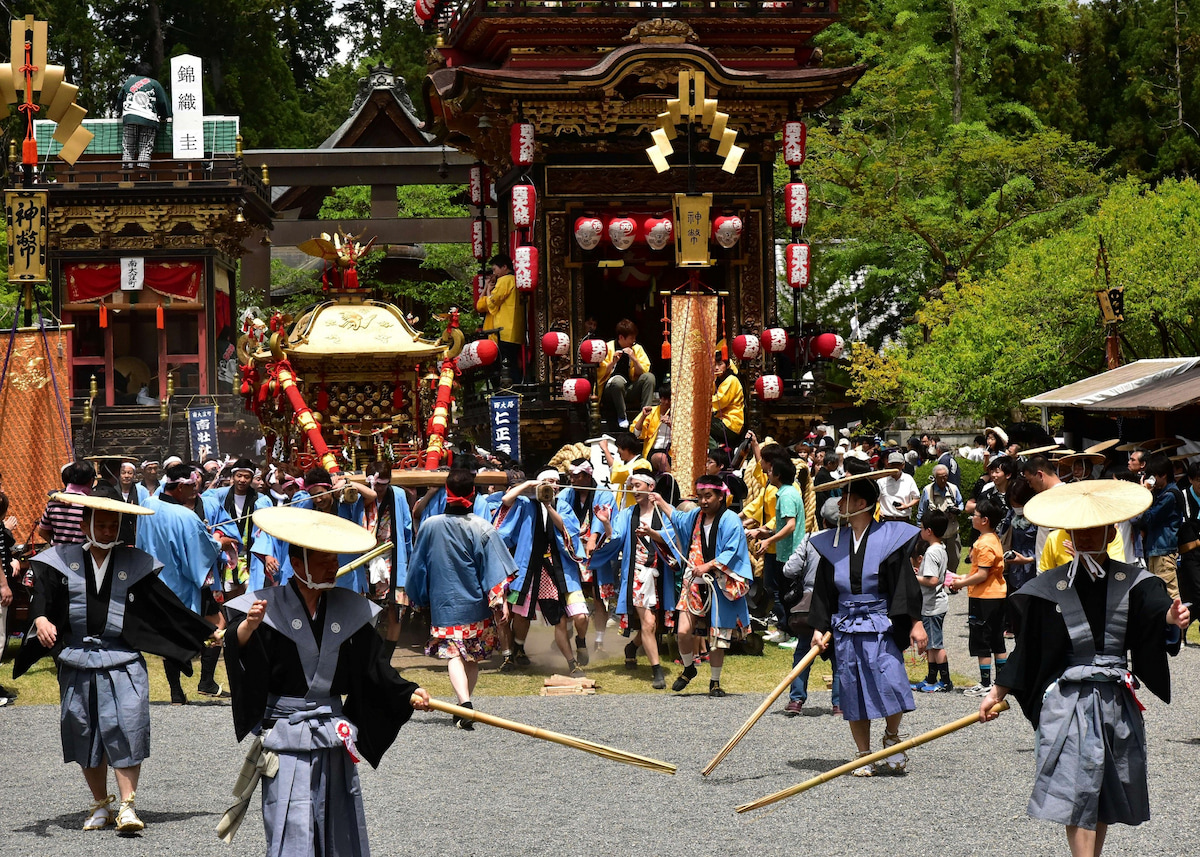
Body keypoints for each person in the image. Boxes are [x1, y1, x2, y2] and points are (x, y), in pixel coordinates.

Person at [978, 480, 1189, 857]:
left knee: (1103, 787)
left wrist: (1173, 618)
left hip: (1116, 701)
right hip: (1067, 701)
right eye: (1081, 529)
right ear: (1069, 535)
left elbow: (1156, 617)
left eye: (1097, 529)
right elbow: (1028, 649)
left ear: (1111, 533)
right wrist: (998, 691)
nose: (1089, 535)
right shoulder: (1048, 587)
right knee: (1078, 788)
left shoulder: (1137, 583)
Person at [220, 507, 432, 856]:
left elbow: (373, 666)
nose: (332, 566)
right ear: (298, 563)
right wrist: (248, 628)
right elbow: (240, 652)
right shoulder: (264, 607)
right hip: (286, 731)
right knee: (291, 822)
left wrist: (407, 692)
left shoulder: (350, 609)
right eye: (323, 559)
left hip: (333, 730)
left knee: (337, 819)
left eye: (334, 558)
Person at [15, 486, 214, 832]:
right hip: (76, 658)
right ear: (85, 525)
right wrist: (41, 620)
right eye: (102, 526)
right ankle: (99, 803)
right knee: (83, 728)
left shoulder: (135, 564)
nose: (109, 532)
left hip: (122, 659)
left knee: (128, 725)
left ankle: (127, 806)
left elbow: (167, 608)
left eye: (114, 526)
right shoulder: (58, 560)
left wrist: (202, 630)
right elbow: (41, 598)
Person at [807, 460, 926, 776]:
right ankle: (863, 754)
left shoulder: (889, 537)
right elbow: (823, 589)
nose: (838, 503)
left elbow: (904, 584)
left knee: (893, 682)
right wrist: (819, 627)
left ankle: (891, 736)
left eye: (844, 496)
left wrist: (914, 622)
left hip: (879, 624)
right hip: (845, 627)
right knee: (852, 688)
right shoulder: (833, 542)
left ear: (861, 503)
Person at [406, 469, 515, 725]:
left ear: (447, 492)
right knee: (472, 657)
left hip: (444, 603)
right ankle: (463, 705)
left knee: (454, 654)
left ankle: (464, 705)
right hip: (475, 603)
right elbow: (496, 570)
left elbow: (417, 566)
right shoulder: (482, 527)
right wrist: (500, 601)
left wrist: (419, 596)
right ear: (473, 493)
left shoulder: (430, 526)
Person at [658, 475, 753, 697]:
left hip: (720, 582)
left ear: (721, 496)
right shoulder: (695, 516)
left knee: (718, 636)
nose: (703, 501)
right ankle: (689, 667)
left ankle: (715, 681)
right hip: (693, 581)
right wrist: (660, 501)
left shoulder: (730, 519)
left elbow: (732, 550)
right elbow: (678, 519)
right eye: (700, 497)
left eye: (708, 496)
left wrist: (707, 565)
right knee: (682, 632)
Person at [137, 463, 224, 704]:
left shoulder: (148, 504)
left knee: (169, 634)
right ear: (179, 488)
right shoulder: (186, 516)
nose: (195, 491)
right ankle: (206, 680)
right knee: (217, 625)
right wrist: (216, 540)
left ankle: (176, 691)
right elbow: (202, 551)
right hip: (182, 583)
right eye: (191, 487)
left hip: (155, 580)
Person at [589, 467, 676, 689]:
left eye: (638, 486)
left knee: (653, 624)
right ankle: (657, 671)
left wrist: (653, 534)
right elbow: (616, 538)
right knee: (648, 623)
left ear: (651, 487)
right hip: (636, 574)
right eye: (632, 486)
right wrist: (606, 522)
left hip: (660, 575)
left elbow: (675, 536)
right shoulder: (628, 513)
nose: (634, 490)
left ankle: (631, 647)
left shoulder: (665, 510)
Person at [498, 471, 589, 676]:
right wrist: (529, 483)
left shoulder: (562, 505)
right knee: (521, 612)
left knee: (580, 615)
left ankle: (580, 641)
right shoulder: (525, 503)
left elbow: (567, 529)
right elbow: (506, 499)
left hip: (560, 568)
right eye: (549, 482)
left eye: (557, 483)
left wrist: (548, 505)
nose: (553, 486)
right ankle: (516, 650)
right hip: (528, 566)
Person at [339, 461, 413, 653]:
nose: (378, 489)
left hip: (393, 556)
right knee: (365, 606)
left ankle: (387, 655)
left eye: (382, 484)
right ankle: (366, 651)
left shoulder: (397, 495)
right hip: (364, 556)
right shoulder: (356, 496)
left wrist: (409, 556)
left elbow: (406, 528)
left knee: (396, 609)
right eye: (375, 484)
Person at [780, 497, 842, 714]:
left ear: (823, 520)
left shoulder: (810, 539)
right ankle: (839, 703)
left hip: (810, 603)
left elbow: (789, 570)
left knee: (803, 651)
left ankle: (796, 700)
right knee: (839, 656)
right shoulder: (850, 541)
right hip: (839, 603)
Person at [949, 498, 1007, 696]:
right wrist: (963, 576)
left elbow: (982, 575)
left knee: (982, 640)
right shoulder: (993, 538)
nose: (972, 517)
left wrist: (960, 583)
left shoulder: (984, 544)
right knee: (997, 639)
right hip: (997, 594)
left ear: (985, 520)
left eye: (975, 515)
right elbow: (984, 572)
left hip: (984, 597)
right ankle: (1001, 681)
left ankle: (986, 683)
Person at [1132, 453, 1182, 601]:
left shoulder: (1170, 496)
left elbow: (1149, 518)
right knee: (1159, 592)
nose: (1152, 480)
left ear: (1164, 475)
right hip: (1156, 550)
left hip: (1164, 552)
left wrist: (1145, 494)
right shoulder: (1162, 494)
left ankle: (1178, 623)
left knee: (1170, 593)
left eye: (1154, 476)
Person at [913, 509, 952, 692]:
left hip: (933, 606)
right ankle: (930, 678)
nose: (920, 531)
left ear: (929, 531)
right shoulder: (941, 548)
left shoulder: (931, 552)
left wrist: (914, 578)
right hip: (933, 604)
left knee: (936, 645)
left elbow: (933, 580)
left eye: (921, 528)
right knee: (930, 644)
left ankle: (945, 681)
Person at [597, 319, 656, 430]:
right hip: (611, 390)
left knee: (649, 377)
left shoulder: (637, 348)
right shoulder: (608, 347)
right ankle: (622, 416)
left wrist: (634, 359)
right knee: (618, 381)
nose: (633, 341)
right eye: (631, 338)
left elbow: (643, 372)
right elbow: (600, 374)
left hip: (629, 389)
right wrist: (613, 362)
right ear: (621, 337)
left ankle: (645, 416)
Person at [475, 253, 524, 383]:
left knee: (506, 364)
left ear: (504, 267)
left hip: (505, 330)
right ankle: (519, 387)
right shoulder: (516, 279)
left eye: (495, 269)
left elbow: (493, 301)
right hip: (516, 329)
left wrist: (489, 291)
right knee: (513, 361)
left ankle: (512, 390)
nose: (494, 273)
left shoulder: (504, 281)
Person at [118, 62, 170, 171]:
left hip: (130, 117)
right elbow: (162, 103)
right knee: (145, 148)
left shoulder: (128, 83)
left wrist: (120, 113)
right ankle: (143, 178)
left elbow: (119, 99)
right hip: (149, 119)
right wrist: (165, 116)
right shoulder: (154, 83)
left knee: (128, 147)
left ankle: (126, 178)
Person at [35, 461, 96, 547]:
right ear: (91, 481)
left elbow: (42, 532)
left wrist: (56, 545)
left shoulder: (53, 502)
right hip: (81, 556)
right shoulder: (90, 505)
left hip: (58, 556)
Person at [916, 463, 964, 572]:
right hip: (935, 533)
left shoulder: (953, 488)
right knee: (935, 559)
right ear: (935, 477)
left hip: (951, 531)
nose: (943, 479)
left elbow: (961, 503)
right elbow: (921, 510)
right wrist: (919, 528)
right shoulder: (928, 490)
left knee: (954, 559)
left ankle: (952, 584)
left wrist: (957, 510)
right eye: (940, 477)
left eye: (945, 476)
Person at [602, 431, 652, 509]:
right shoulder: (627, 466)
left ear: (627, 448)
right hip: (623, 511)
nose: (617, 451)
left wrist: (605, 450)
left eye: (619, 448)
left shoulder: (643, 464)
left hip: (637, 511)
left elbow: (618, 473)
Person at [711, 350, 745, 450]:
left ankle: (714, 449)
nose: (716, 367)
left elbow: (719, 401)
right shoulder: (718, 380)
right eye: (714, 364)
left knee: (701, 422)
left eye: (720, 364)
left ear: (727, 365)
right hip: (722, 421)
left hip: (731, 423)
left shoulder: (731, 380)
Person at [877, 453, 920, 523]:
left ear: (903, 465)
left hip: (904, 520)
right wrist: (878, 510)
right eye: (893, 464)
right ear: (888, 465)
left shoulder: (908, 479)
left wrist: (907, 506)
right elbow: (875, 500)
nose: (895, 467)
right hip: (886, 520)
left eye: (898, 464)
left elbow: (916, 497)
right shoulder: (881, 481)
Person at [631, 383, 671, 459]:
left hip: (672, 452)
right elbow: (636, 434)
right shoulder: (651, 412)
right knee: (661, 458)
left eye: (669, 399)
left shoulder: (679, 415)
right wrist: (643, 416)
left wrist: (670, 425)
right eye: (664, 399)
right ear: (660, 398)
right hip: (654, 451)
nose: (666, 402)